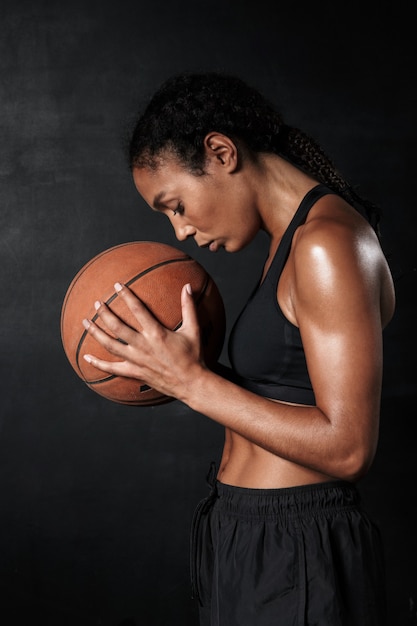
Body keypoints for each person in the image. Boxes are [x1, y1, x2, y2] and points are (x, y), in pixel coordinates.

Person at [82, 73, 395, 625]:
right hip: (247, 536)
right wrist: (183, 367)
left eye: (175, 204)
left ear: (221, 152)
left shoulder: (328, 243)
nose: (178, 230)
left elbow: (349, 449)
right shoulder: (287, 241)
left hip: (298, 549)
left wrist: (193, 383)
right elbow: (289, 389)